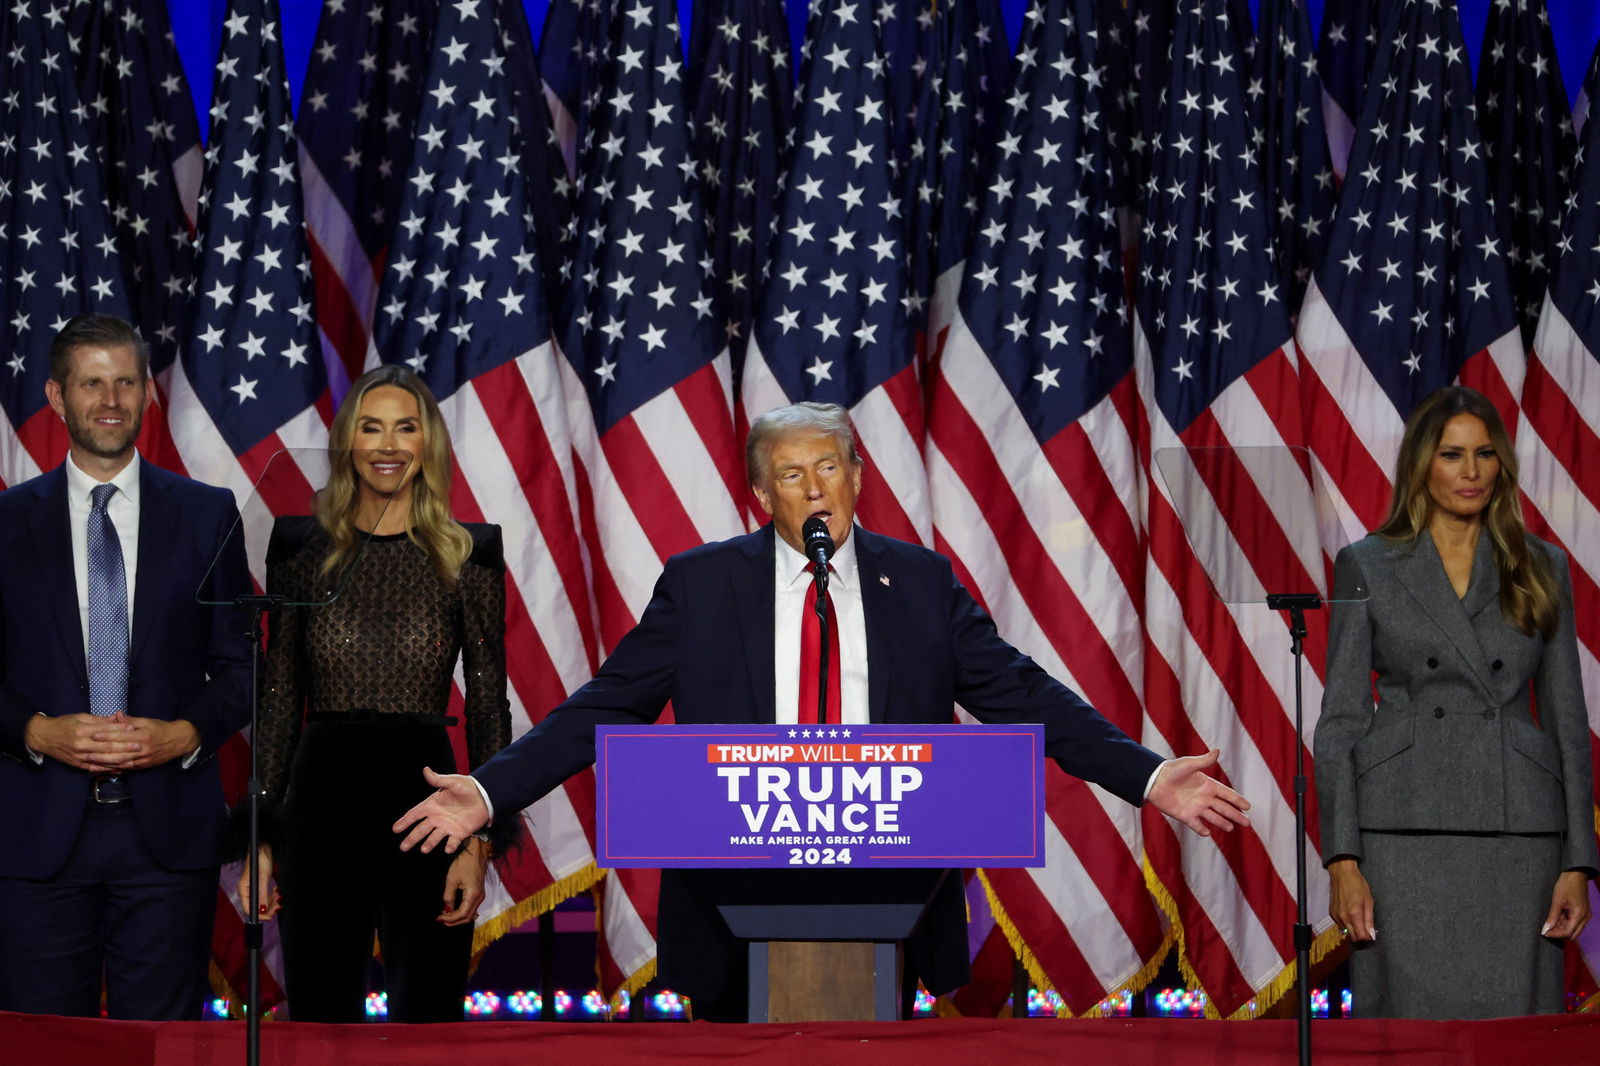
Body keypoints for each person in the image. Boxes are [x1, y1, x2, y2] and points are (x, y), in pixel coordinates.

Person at [394, 401, 1250, 1019]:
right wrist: (491, 791)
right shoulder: (700, 583)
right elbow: (606, 705)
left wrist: (1145, 775)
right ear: (762, 496)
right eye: (792, 475)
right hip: (734, 889)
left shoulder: (919, 581)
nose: (815, 488)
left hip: (889, 885)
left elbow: (1021, 691)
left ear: (859, 477)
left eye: (829, 467)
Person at [238, 365, 511, 1023]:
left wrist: (479, 844)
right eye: (371, 427)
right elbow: (279, 692)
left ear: (429, 444)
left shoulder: (469, 551)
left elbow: (486, 700)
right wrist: (262, 835)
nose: (388, 445)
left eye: (406, 428)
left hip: (430, 797)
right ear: (348, 443)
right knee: (322, 1010)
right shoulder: (300, 545)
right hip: (320, 794)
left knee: (430, 1010)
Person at [1315, 385, 1597, 1019]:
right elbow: (1340, 721)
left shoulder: (1541, 566)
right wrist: (1343, 856)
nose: (1471, 472)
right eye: (1452, 454)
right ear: (1422, 464)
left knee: (1514, 1039)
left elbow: (1566, 719)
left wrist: (1579, 860)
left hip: (1518, 836)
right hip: (1400, 831)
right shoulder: (1366, 564)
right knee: (1406, 1038)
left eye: (1486, 454)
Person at [0, 313, 253, 1019]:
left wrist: (186, 733)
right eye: (91, 384)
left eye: (125, 382)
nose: (110, 400)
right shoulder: (7, 523)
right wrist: (37, 731)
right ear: (56, 397)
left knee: (164, 1047)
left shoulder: (208, 514)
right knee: (44, 1049)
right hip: (35, 835)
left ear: (146, 393)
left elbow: (243, 664)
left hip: (166, 836)